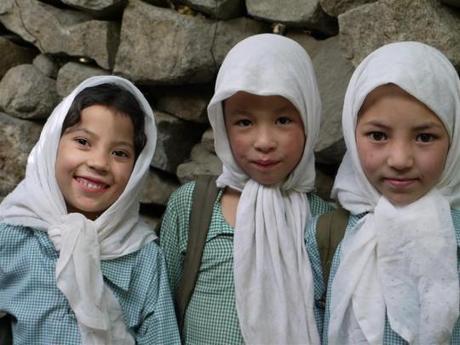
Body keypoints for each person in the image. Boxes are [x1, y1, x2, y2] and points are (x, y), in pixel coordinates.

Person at [159, 33, 333, 345]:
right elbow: (161, 315)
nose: (264, 141)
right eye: (244, 122)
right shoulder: (193, 207)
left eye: (283, 120)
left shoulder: (326, 224)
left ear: (309, 119)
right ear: (222, 126)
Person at [0, 76, 181, 344]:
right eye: (83, 142)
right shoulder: (12, 235)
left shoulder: (142, 257)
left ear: (137, 169)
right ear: (52, 145)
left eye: (119, 153)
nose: (99, 163)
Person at [305, 41, 460, 344]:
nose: (400, 160)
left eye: (425, 137)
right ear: (352, 133)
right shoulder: (326, 236)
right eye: (378, 135)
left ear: (454, 140)